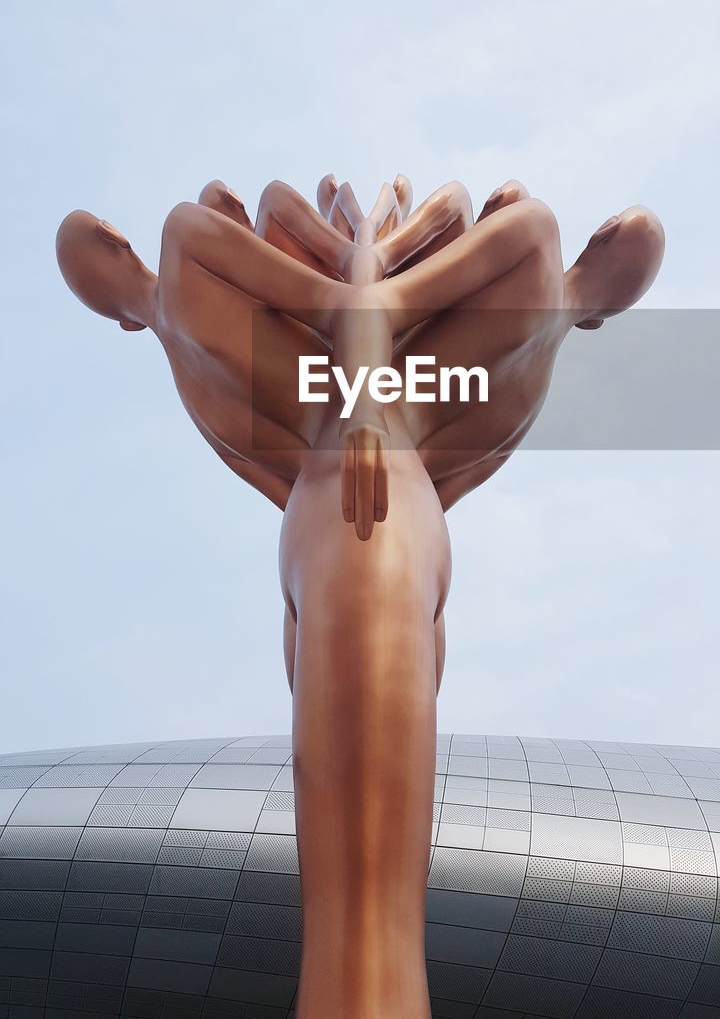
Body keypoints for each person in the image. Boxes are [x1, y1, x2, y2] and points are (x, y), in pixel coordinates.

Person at [56, 177, 663, 1018]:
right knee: (356, 885)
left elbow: (358, 330)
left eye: (615, 257)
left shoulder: (529, 265)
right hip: (355, 504)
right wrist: (365, 282)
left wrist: (363, 286)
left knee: (366, 890)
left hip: (363, 504)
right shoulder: (192, 281)